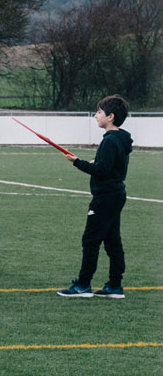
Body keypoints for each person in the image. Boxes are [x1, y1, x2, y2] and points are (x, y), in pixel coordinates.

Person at [57, 95, 132, 299]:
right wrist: (93, 160)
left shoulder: (110, 141)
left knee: (90, 240)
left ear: (110, 116)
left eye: (99, 112)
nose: (96, 115)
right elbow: (109, 165)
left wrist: (77, 162)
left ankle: (83, 285)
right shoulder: (120, 139)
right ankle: (114, 286)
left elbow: (101, 170)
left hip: (106, 197)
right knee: (112, 241)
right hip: (114, 195)